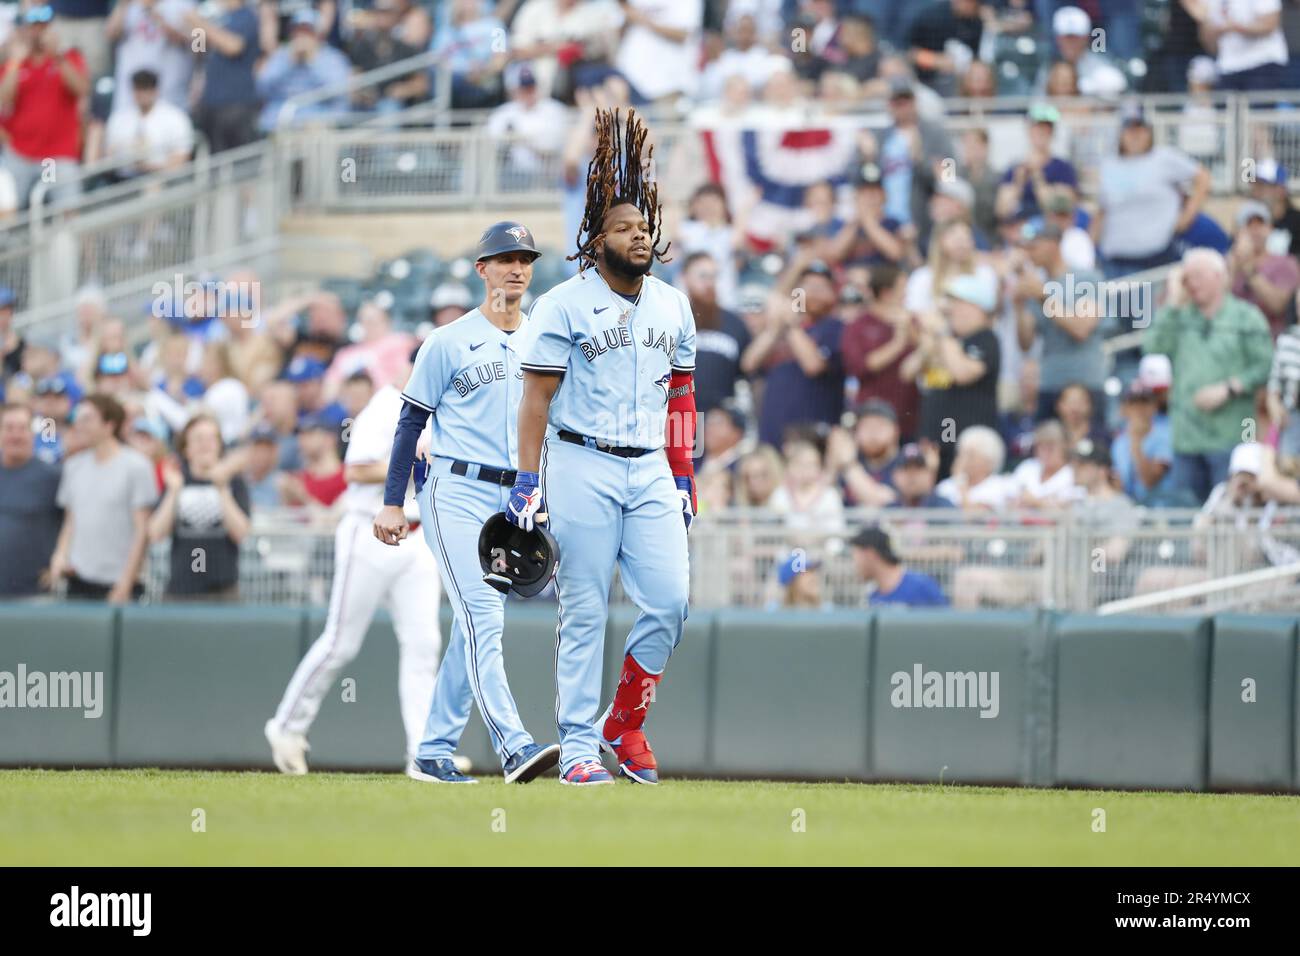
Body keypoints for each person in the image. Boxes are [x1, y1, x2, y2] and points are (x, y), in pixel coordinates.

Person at [511, 109, 696, 786]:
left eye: (644, 227)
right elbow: (535, 401)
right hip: (582, 459)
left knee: (671, 600)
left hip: (649, 465)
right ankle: (581, 749)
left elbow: (681, 397)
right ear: (595, 241)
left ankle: (626, 718)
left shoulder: (674, 305)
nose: (638, 236)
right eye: (623, 228)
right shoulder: (562, 303)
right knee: (585, 607)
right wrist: (526, 481)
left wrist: (683, 475)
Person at [370, 222, 560, 785]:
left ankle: (432, 751)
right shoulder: (448, 340)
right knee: (482, 615)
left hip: (516, 497)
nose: (516, 268)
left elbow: (552, 424)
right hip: (455, 490)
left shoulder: (543, 339)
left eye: (524, 258)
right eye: (504, 258)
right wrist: (391, 502)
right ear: (482, 269)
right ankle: (513, 745)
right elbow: (411, 421)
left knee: (476, 626)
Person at [267, 350, 447, 775]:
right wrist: (410, 463)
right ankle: (287, 726)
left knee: (424, 646)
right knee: (340, 642)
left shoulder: (441, 410)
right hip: (369, 531)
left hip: (417, 537)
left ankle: (422, 752)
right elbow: (356, 471)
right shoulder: (385, 405)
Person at [1144, 248, 1274, 503]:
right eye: (1187, 278)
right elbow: (1152, 347)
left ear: (1219, 276)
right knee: (1186, 516)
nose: (1192, 284)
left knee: (1227, 513)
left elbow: (1265, 365)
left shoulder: (1246, 317)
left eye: (1198, 276)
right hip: (1185, 437)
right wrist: (1172, 303)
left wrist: (1230, 388)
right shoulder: (1179, 316)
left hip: (1231, 434)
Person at [49, 394, 157, 602]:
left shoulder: (137, 467)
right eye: (77, 418)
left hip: (119, 585)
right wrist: (60, 556)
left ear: (109, 425)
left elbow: (142, 530)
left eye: (87, 419)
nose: (78, 425)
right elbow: (71, 522)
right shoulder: (73, 466)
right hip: (77, 581)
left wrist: (125, 583)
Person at [1093, 104, 1211, 279]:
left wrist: (1186, 217)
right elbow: (1103, 210)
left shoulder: (1163, 158)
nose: (1135, 135)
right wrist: (1090, 243)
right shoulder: (1109, 165)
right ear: (1121, 134)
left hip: (1155, 258)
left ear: (1149, 132)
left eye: (1140, 129)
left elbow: (1203, 177)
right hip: (1115, 260)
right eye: (1130, 129)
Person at [906, 270, 1001, 478]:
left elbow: (962, 373)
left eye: (956, 304)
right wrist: (929, 342)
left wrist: (942, 333)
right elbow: (907, 372)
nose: (951, 311)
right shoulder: (947, 341)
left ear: (975, 307)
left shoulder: (985, 339)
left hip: (967, 447)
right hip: (937, 439)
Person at [147, 413, 251, 600]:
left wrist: (222, 489)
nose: (206, 445)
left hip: (223, 589)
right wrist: (173, 492)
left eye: (212, 438)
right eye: (198, 439)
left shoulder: (234, 482)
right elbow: (156, 533)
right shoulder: (176, 480)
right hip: (181, 587)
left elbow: (241, 533)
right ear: (186, 448)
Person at [743, 259, 845, 448]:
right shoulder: (779, 329)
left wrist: (791, 325)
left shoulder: (835, 327)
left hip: (812, 435)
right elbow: (749, 363)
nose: (814, 292)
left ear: (833, 295)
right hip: (772, 432)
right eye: (808, 286)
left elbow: (813, 365)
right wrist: (776, 328)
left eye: (821, 287)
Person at [1013, 219, 1108, 420]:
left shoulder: (1086, 279)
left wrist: (1043, 296)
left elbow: (1081, 328)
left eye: (1034, 246)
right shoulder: (1038, 285)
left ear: (1053, 243)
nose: (1029, 253)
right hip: (1050, 382)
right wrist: (1019, 306)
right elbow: (1025, 342)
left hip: (1085, 382)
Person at [0, 5, 91, 209]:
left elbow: (82, 89)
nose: (38, 32)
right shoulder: (14, 64)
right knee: (8, 208)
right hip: (20, 155)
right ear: (25, 30)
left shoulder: (67, 58)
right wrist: (15, 61)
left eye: (43, 26)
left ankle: (60, 240)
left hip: (51, 158)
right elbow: (4, 99)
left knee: (61, 208)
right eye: (34, 27)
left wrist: (58, 56)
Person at [841, 263, 918, 440]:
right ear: (886, 293)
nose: (906, 295)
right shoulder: (858, 326)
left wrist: (910, 330)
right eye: (902, 289)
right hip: (872, 419)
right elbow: (859, 367)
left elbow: (927, 355)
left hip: (910, 416)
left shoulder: (912, 321)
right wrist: (898, 342)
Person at [0, 403, 62, 596]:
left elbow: (73, 523)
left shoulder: (53, 477)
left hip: (34, 594)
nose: (15, 435)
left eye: (22, 428)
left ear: (32, 433)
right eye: (9, 428)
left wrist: (59, 561)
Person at [255, 8, 351, 132]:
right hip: (280, 123)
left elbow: (339, 93)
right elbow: (262, 88)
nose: (302, 36)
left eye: (307, 31)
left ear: (318, 34)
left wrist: (312, 61)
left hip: (319, 124)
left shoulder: (332, 58)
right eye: (298, 30)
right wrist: (289, 63)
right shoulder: (282, 55)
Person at [680, 251, 750, 417]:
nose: (709, 283)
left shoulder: (735, 323)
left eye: (713, 277)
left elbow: (748, 370)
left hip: (719, 422)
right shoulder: (671, 319)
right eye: (703, 276)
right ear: (684, 278)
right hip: (677, 417)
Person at [188, 0, 262, 153]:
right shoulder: (216, 17)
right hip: (211, 101)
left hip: (237, 101)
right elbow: (198, 51)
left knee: (239, 160)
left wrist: (200, 23)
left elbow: (233, 47)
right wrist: (197, 29)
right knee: (216, 162)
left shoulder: (246, 16)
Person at [106, 0, 195, 116]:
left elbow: (200, 46)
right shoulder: (130, 4)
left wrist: (159, 19)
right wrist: (123, 5)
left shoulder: (183, 4)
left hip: (169, 94)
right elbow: (110, 34)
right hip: (129, 94)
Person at [104, 68, 195, 180]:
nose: (142, 94)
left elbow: (181, 158)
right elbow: (109, 156)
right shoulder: (119, 118)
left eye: (145, 88)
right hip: (123, 179)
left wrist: (150, 168)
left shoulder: (174, 117)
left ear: (155, 90)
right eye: (138, 88)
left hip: (162, 180)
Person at [995, 104, 1080, 222]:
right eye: (1036, 127)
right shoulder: (1015, 169)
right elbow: (1002, 210)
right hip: (1018, 231)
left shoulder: (1063, 169)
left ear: (1052, 132)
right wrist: (1018, 182)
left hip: (1051, 232)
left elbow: (1056, 207)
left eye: (1046, 128)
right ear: (1029, 131)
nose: (1041, 132)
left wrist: (1037, 176)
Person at [1227, 199, 1300, 337]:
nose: (1255, 231)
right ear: (1237, 231)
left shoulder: (1286, 263)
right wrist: (1233, 268)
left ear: (1270, 228)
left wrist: (1250, 271)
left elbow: (1279, 306)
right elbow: (1215, 305)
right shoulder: (1227, 263)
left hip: (1269, 340)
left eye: (1260, 224)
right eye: (1249, 224)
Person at [1184, 0, 1288, 91]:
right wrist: (1204, 21)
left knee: (1258, 112)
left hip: (1264, 62)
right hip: (1228, 66)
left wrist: (1235, 27)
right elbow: (1210, 46)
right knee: (1225, 111)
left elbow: (1269, 25)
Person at [1111, 380, 1179, 506]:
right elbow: (1119, 484)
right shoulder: (1119, 442)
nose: (1139, 409)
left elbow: (1149, 481)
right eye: (1133, 404)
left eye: (1145, 403)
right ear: (1124, 409)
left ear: (1154, 406)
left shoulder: (1165, 434)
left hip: (1161, 511)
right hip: (1130, 511)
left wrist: (1136, 442)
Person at [851, 525, 948, 608]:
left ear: (870, 554)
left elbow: (943, 624)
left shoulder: (920, 587)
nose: (856, 565)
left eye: (857, 558)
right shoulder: (874, 597)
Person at [887, 442, 951, 508]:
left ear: (930, 475)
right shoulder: (888, 511)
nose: (912, 476)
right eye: (906, 469)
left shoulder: (945, 508)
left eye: (918, 468)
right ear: (894, 475)